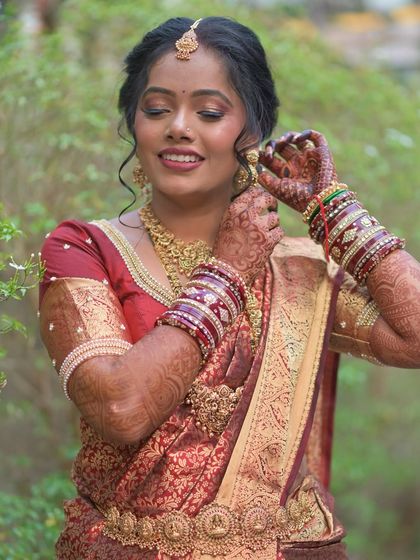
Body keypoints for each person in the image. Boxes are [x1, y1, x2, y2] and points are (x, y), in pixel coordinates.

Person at [39, 16, 420, 560]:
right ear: (133, 122)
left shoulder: (298, 270)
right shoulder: (84, 250)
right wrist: (227, 273)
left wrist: (332, 208)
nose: (178, 126)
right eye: (157, 108)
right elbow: (120, 408)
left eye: (210, 112)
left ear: (252, 132)